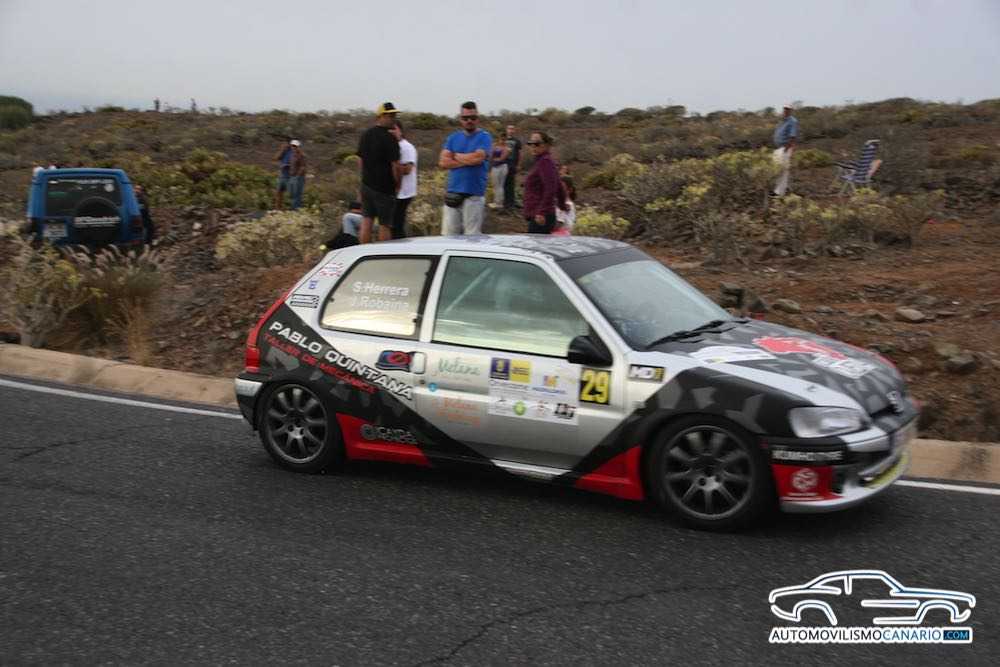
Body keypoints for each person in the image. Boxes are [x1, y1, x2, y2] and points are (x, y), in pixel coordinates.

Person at [439, 101, 492, 235]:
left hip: (473, 194)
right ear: (460, 119)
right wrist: (468, 160)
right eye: (465, 118)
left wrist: (455, 155)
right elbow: (443, 162)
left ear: (477, 118)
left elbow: (478, 158)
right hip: (453, 194)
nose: (469, 121)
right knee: (448, 237)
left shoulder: (484, 137)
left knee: (472, 237)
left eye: (472, 118)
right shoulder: (453, 138)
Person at [356, 102, 401, 242]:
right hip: (384, 188)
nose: (393, 119)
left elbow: (360, 160)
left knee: (367, 221)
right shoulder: (390, 138)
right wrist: (398, 184)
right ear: (380, 116)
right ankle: (383, 252)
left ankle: (363, 250)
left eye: (394, 115)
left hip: (367, 185)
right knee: (385, 224)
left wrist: (363, 178)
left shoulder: (366, 134)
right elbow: (396, 165)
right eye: (389, 116)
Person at [522, 131, 566, 234]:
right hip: (541, 214)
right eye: (530, 143)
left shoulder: (545, 161)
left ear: (546, 145)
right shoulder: (543, 161)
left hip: (541, 216)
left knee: (534, 244)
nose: (533, 146)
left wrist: (542, 212)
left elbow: (551, 188)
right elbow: (558, 185)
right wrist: (562, 204)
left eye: (537, 144)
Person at [389, 120, 417, 239]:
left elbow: (407, 169)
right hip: (393, 192)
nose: (391, 132)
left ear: (400, 130)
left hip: (404, 193)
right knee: (391, 224)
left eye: (394, 129)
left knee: (396, 224)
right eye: (389, 129)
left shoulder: (406, 147)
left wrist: (391, 166)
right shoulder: (390, 146)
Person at [772, 103, 799, 196]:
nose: (785, 111)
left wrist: (786, 149)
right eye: (785, 109)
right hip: (778, 148)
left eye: (787, 109)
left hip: (784, 148)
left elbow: (792, 136)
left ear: (791, 110)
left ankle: (780, 193)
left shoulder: (792, 121)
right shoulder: (782, 120)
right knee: (776, 170)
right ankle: (777, 190)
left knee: (783, 171)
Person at [502, 124, 522, 210]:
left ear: (514, 131)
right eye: (509, 129)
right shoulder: (503, 140)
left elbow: (520, 154)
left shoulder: (517, 141)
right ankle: (504, 202)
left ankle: (511, 203)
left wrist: (519, 164)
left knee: (511, 184)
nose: (510, 130)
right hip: (502, 164)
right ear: (506, 130)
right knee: (503, 183)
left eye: (512, 129)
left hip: (512, 164)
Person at [488, 136, 510, 209]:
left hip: (502, 167)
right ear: (499, 139)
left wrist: (494, 158)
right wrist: (493, 157)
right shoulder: (495, 146)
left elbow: (501, 158)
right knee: (495, 185)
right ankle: (497, 201)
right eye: (501, 139)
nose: (502, 141)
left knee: (499, 185)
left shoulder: (506, 148)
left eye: (504, 139)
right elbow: (490, 155)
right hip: (495, 167)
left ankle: (499, 203)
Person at [273, 139, 292, 209]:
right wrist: (282, 150)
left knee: (291, 194)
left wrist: (288, 165)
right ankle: (278, 209)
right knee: (278, 192)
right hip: (282, 175)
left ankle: (293, 210)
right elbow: (275, 159)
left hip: (290, 176)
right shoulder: (284, 152)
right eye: (284, 144)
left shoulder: (292, 152)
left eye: (286, 143)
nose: (284, 145)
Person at [288, 139, 307, 210]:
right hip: (291, 177)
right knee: (292, 193)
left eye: (295, 146)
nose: (293, 147)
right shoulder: (292, 155)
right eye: (292, 146)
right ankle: (294, 208)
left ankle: (296, 209)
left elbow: (303, 167)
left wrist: (298, 176)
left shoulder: (301, 155)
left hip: (298, 177)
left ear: (298, 147)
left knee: (297, 194)